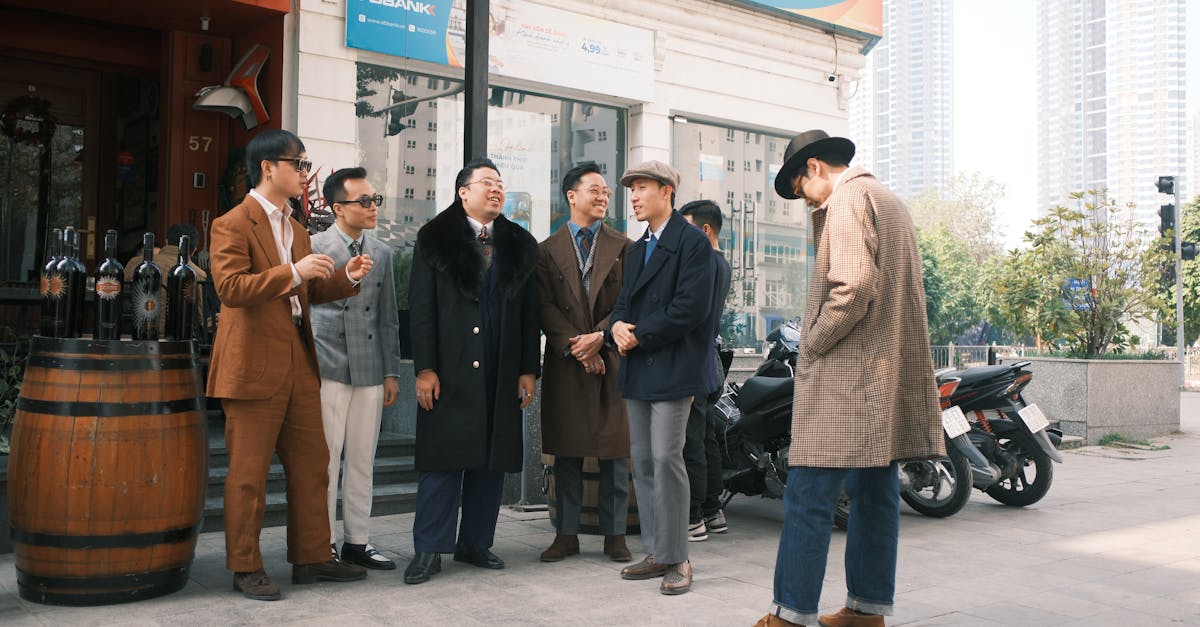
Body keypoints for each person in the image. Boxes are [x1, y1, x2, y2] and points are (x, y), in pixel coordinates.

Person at [754, 130, 943, 627]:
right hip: (881, 378)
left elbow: (853, 285)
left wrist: (811, 341)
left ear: (814, 168)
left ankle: (789, 615)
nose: (802, 200)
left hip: (847, 381)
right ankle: (867, 610)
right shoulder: (887, 198)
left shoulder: (848, 200)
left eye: (799, 189)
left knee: (808, 496)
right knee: (876, 497)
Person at [207, 129, 372, 601]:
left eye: (304, 165)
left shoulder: (297, 229)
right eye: (298, 165)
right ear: (268, 167)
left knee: (313, 465)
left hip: (300, 361)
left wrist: (344, 278)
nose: (305, 174)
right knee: (248, 473)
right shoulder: (232, 223)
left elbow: (308, 291)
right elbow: (232, 289)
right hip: (253, 365)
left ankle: (313, 557)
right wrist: (295, 272)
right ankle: (245, 566)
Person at [403, 158, 540, 585]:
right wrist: (424, 368)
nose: (496, 190)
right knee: (442, 460)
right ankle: (429, 548)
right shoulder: (435, 239)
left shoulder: (519, 242)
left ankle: (475, 542)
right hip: (449, 369)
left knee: (490, 460)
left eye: (500, 184)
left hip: (501, 370)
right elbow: (420, 310)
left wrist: (527, 370)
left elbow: (529, 314)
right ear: (463, 191)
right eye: (486, 183)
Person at [609, 160, 717, 596]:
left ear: (667, 190)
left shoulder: (693, 243)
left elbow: (691, 309)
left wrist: (639, 336)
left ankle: (679, 558)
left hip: (674, 367)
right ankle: (656, 552)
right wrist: (615, 327)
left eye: (641, 187)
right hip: (638, 368)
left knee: (668, 459)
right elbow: (624, 303)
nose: (633, 196)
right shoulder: (637, 248)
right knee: (644, 460)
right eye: (631, 189)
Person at [535, 162, 633, 563]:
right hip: (567, 360)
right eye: (595, 189)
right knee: (568, 450)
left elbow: (630, 301)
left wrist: (600, 339)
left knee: (614, 451)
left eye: (606, 191)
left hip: (611, 358)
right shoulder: (546, 250)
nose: (603, 196)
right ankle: (567, 534)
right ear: (571, 196)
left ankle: (615, 534)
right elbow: (542, 306)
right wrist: (576, 346)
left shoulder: (624, 246)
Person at [310, 167, 402, 571]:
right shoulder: (313, 246)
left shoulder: (381, 252)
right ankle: (323, 542)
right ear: (337, 207)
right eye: (363, 201)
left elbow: (388, 318)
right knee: (326, 458)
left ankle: (357, 542)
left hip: (368, 366)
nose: (372, 207)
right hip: (326, 362)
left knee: (364, 457)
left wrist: (392, 372)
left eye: (374, 200)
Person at [678, 199, 731, 542]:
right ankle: (713, 510)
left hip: (697, 359)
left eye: (686, 228)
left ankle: (693, 516)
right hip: (710, 360)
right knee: (706, 437)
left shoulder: (705, 264)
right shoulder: (720, 263)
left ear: (705, 230)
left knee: (692, 441)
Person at [125, 222, 211, 337]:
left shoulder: (135, 263)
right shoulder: (198, 274)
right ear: (194, 250)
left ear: (166, 242)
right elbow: (200, 317)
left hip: (134, 332)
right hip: (176, 337)